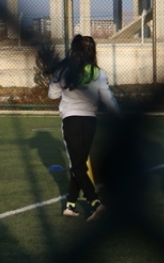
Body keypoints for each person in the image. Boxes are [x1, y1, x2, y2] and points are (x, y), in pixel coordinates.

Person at [47, 35, 119, 221]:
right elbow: (108, 99)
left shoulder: (64, 70)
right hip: (90, 122)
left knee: (77, 164)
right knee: (79, 163)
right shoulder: (99, 73)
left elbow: (52, 95)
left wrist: (56, 80)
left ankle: (94, 202)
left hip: (71, 120)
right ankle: (70, 204)